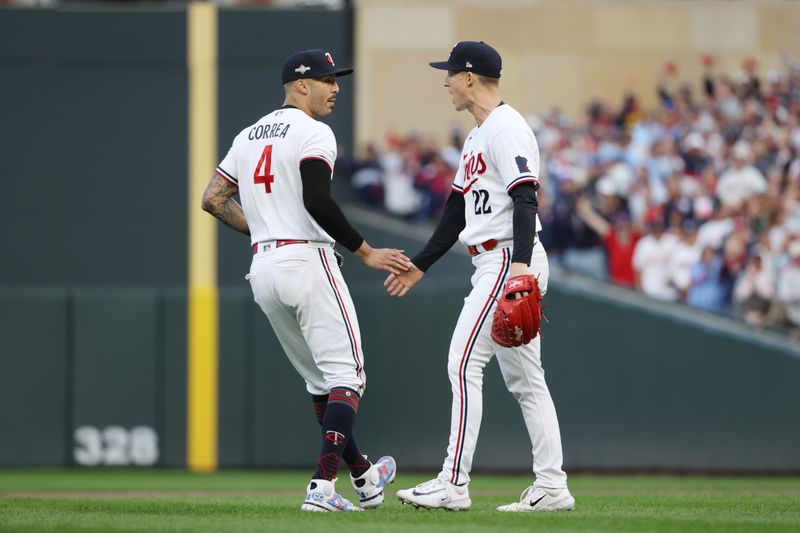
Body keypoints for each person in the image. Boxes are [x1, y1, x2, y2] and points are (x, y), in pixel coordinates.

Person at [201, 48, 409, 512]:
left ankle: (366, 478)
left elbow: (213, 199)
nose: (335, 87)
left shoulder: (248, 134)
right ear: (300, 85)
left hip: (264, 268)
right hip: (308, 260)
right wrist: (366, 250)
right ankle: (322, 487)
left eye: (336, 79)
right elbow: (317, 198)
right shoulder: (314, 131)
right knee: (348, 378)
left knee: (322, 383)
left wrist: (265, 227)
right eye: (327, 80)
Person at [385, 41, 575, 512]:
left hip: (509, 258)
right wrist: (421, 265)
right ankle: (552, 486)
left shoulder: (505, 127)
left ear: (470, 77)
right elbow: (455, 211)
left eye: (450, 73)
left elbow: (526, 196)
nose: (445, 81)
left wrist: (521, 267)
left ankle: (453, 482)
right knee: (527, 382)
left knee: (462, 362)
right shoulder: (478, 135)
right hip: (496, 258)